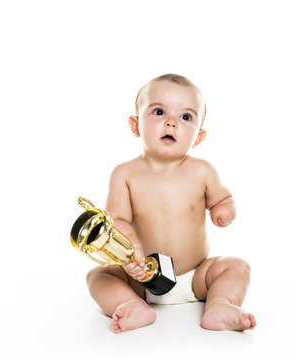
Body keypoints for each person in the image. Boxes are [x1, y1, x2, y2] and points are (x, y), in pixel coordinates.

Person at [86, 74, 256, 333]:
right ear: (135, 125)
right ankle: (130, 304)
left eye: (186, 117)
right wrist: (131, 250)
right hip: (140, 278)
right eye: (158, 111)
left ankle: (220, 304)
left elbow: (222, 198)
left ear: (198, 137)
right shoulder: (125, 174)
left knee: (236, 267)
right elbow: (117, 220)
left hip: (195, 276)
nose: (171, 122)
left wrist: (224, 210)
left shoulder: (203, 171)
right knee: (99, 276)